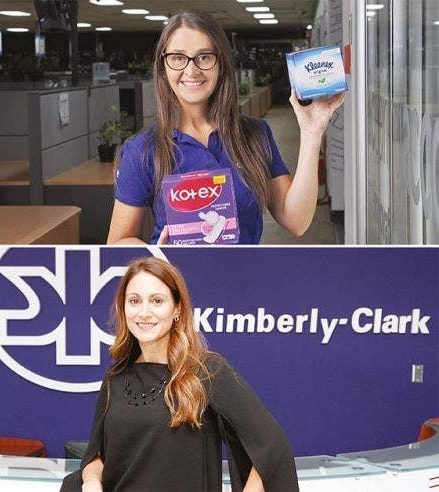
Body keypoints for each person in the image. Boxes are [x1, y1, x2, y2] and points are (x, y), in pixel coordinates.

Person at [107, 11, 346, 245]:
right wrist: (158, 256)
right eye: (178, 57)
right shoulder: (142, 150)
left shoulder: (255, 135)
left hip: (245, 279)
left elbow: (296, 221)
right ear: (163, 67)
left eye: (204, 57)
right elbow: (118, 242)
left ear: (221, 63)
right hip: (177, 280)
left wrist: (312, 132)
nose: (191, 71)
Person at [60, 257, 298, 492]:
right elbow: (95, 456)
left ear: (177, 308)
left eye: (157, 301)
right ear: (123, 307)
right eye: (134, 300)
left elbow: (273, 448)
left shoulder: (206, 370)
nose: (144, 312)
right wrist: (91, 482)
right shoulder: (115, 377)